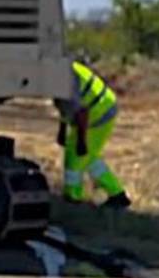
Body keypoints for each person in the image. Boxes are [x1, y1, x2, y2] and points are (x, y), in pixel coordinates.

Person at [53, 61, 131, 210]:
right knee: (88, 158)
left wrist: (81, 142)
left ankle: (74, 199)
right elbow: (63, 105)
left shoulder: (64, 80)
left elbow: (82, 113)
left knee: (74, 159)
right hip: (97, 111)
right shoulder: (61, 70)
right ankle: (117, 195)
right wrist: (62, 130)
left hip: (99, 115)